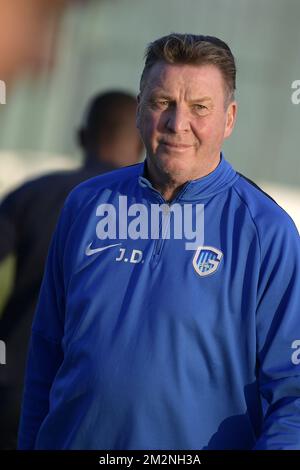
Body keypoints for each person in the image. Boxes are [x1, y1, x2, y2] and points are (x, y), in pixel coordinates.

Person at [18, 34, 300, 450]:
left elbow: (292, 397)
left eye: (199, 108)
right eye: (162, 102)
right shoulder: (85, 206)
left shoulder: (267, 233)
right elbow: (43, 358)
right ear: (139, 110)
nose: (176, 123)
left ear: (229, 119)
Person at [0, 90, 143, 449]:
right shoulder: (152, 217)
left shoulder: (33, 194)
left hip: (15, 382)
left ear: (81, 137)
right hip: (93, 401)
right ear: (142, 145)